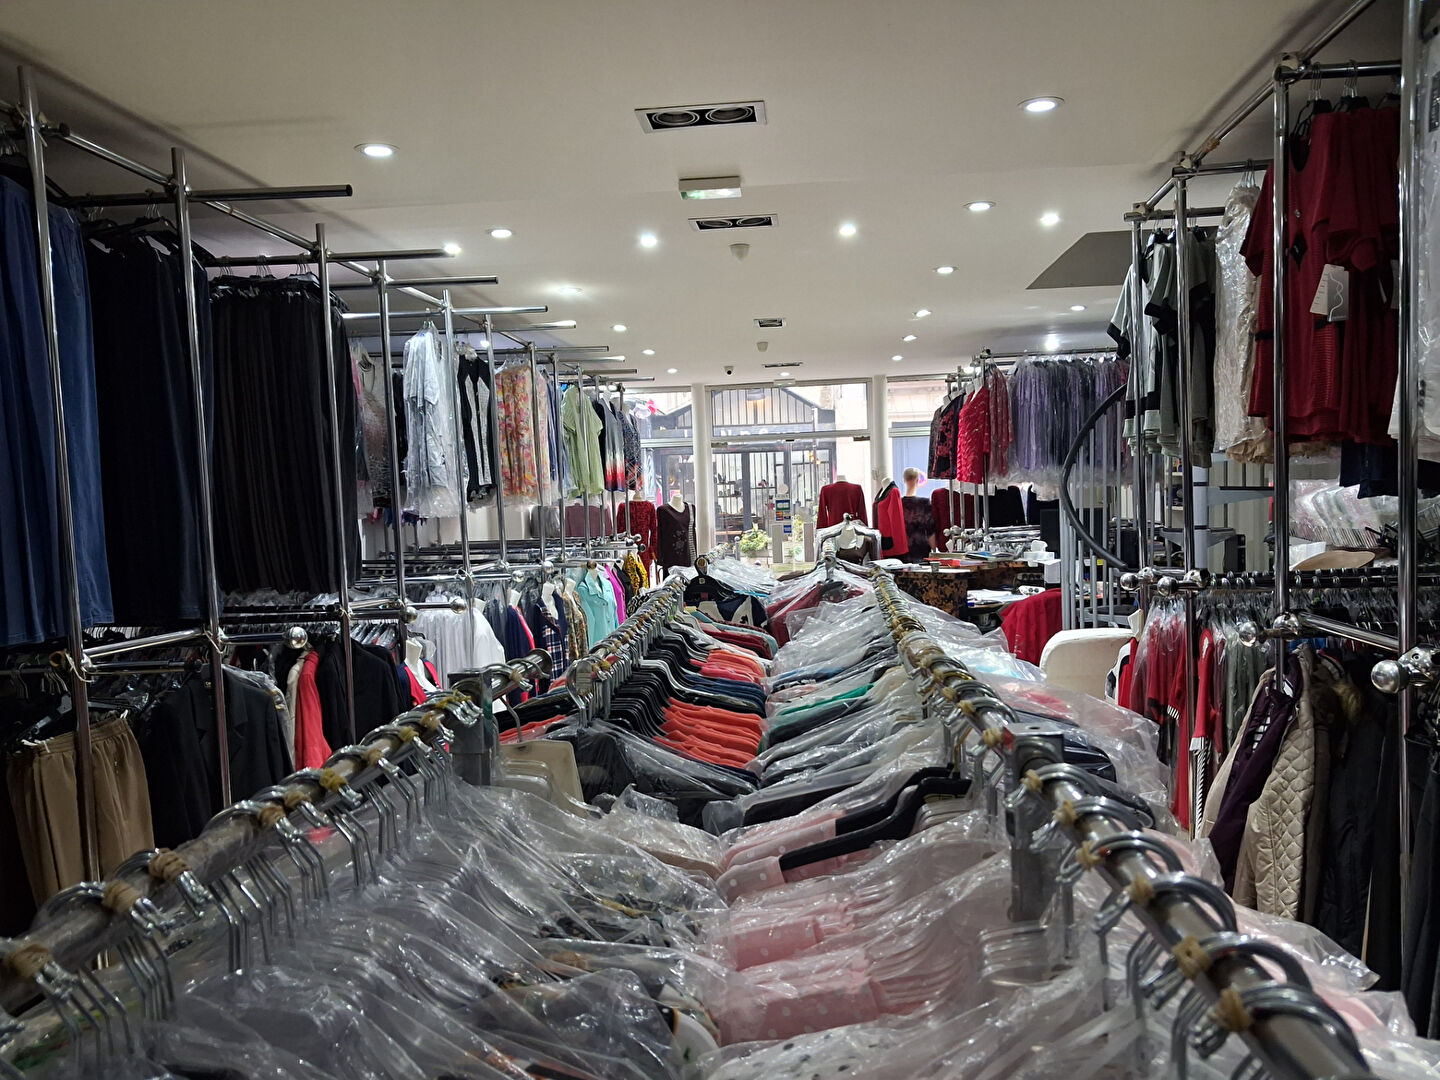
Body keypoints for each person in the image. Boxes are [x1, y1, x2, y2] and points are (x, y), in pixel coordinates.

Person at [900, 467, 935, 562]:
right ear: (917, 480)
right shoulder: (924, 503)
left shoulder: (898, 503)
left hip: (902, 550)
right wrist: (934, 550)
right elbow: (930, 529)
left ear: (904, 480)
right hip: (921, 550)